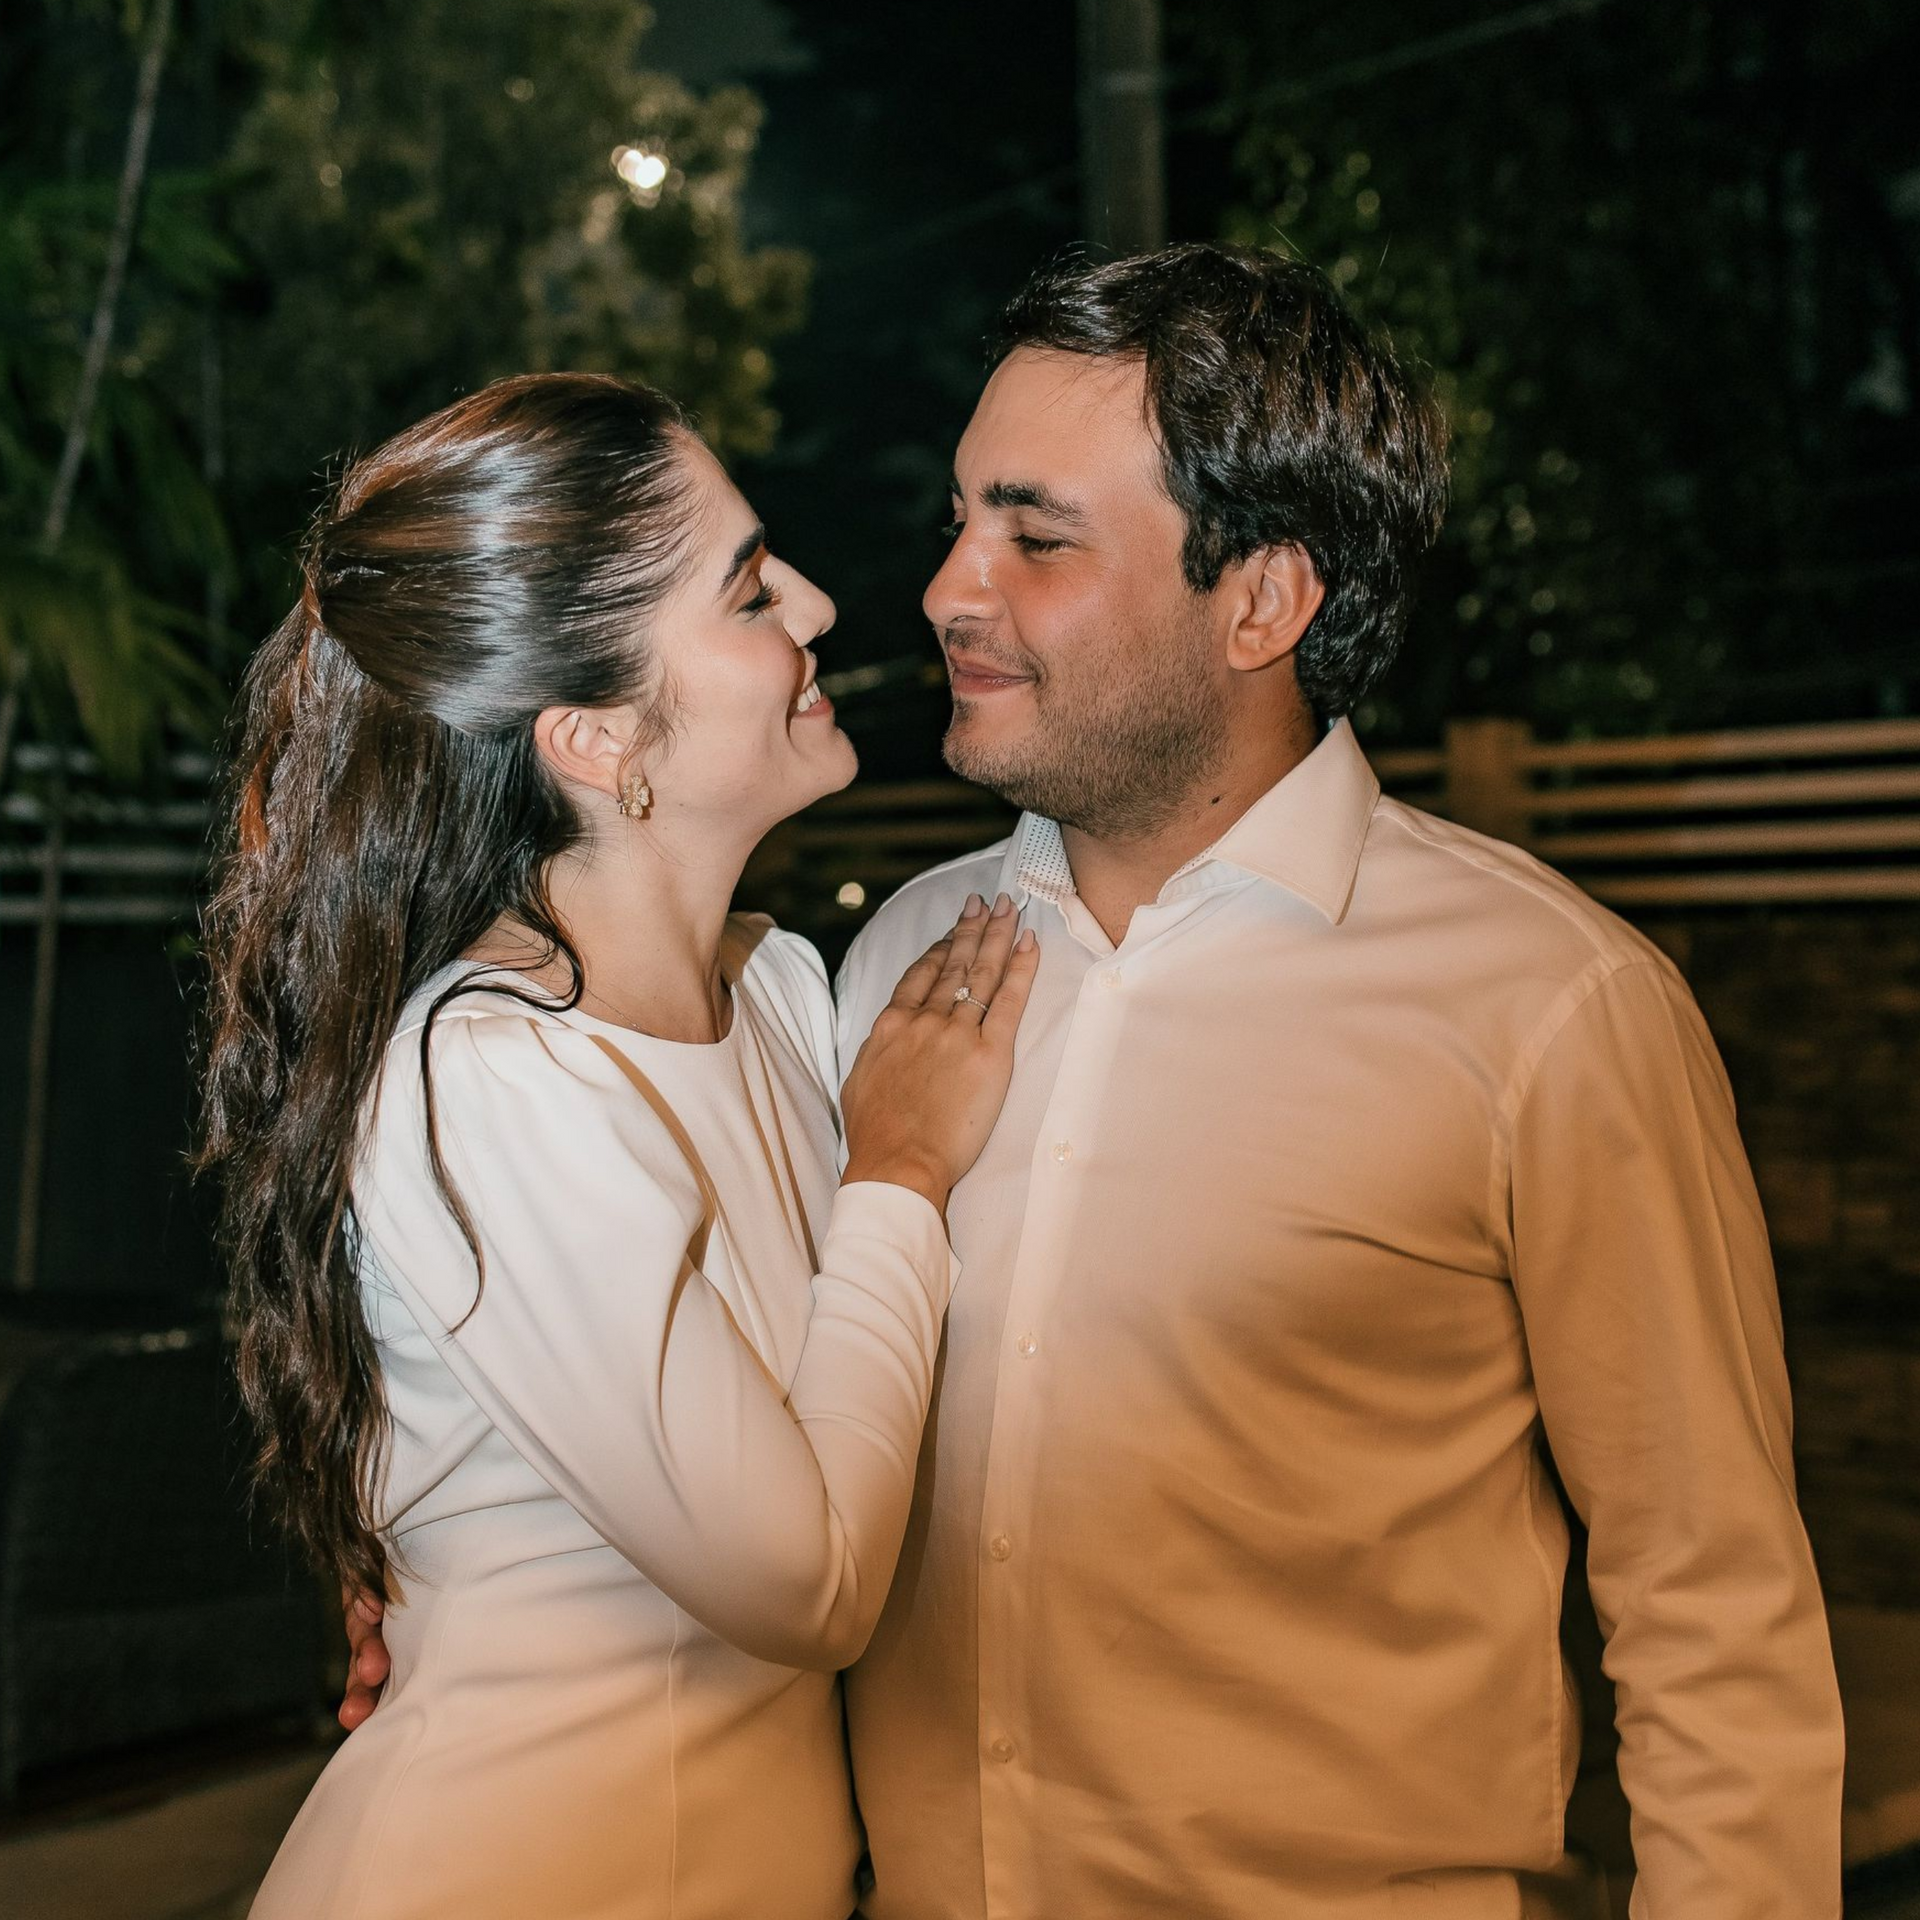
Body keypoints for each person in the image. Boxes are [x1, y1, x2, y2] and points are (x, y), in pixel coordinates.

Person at [345, 247, 1846, 1917]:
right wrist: (470, 1557)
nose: (945, 590)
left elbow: (1714, 1612)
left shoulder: (1549, 1006)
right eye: (958, 523)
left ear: (1262, 602)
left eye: (1037, 539)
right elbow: (724, 1385)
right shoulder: (882, 972)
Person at [197, 371, 1038, 1920]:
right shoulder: (490, 1080)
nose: (818, 606)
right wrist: (900, 1174)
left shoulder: (780, 994)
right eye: (750, 590)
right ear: (595, 737)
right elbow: (810, 1585)